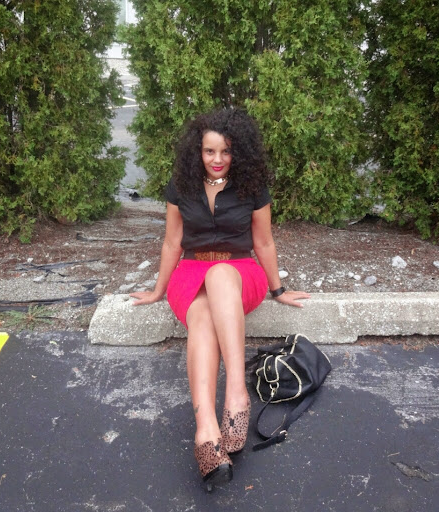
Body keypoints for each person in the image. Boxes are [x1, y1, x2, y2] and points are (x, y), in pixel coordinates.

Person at [130, 108, 310, 491]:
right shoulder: (181, 185)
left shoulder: (252, 185)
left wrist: (278, 289)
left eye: (225, 151)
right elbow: (172, 242)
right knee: (200, 315)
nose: (217, 159)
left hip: (240, 272)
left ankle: (236, 393)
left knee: (220, 275)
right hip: (190, 273)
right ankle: (206, 430)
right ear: (197, 152)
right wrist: (158, 290)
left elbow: (263, 242)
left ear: (237, 151)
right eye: (209, 151)